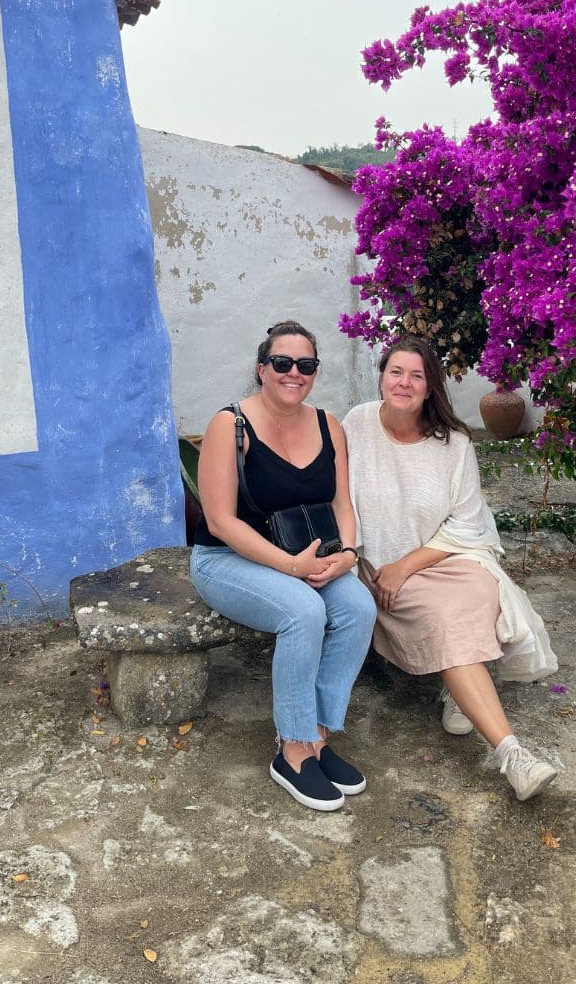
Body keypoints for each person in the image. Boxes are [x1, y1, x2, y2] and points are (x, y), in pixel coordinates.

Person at [342, 336, 560, 802]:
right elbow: (340, 498)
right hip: (380, 565)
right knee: (445, 621)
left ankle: (460, 691)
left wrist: (407, 565)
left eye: (416, 375)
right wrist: (367, 562)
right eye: (396, 371)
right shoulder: (356, 424)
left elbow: (466, 523)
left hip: (448, 556)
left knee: (479, 598)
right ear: (382, 377)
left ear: (430, 387)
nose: (404, 382)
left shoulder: (454, 444)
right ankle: (513, 755)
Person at [190, 320, 376, 812]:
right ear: (262, 369)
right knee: (304, 612)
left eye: (306, 365)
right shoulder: (229, 425)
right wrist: (291, 568)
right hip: (227, 561)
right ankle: (291, 751)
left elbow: (342, 504)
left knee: (358, 607)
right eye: (283, 363)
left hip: (307, 557)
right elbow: (221, 521)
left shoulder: (327, 424)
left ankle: (316, 735)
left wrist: (348, 555)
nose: (294, 373)